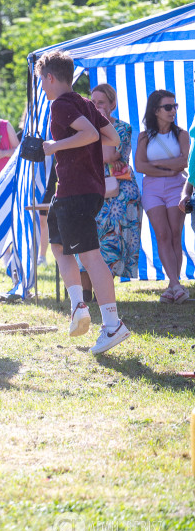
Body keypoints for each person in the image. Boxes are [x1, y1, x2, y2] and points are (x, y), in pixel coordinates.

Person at [38, 50, 130, 353]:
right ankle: (78, 305)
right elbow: (112, 138)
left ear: (51, 78)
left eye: (42, 81)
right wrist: (79, 148)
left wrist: (54, 147)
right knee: (58, 243)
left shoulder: (61, 104)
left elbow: (90, 134)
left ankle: (112, 324)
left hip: (76, 189)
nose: (42, 87)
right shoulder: (85, 103)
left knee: (91, 257)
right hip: (81, 189)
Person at [82, 84, 141, 294]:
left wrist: (101, 124)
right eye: (93, 102)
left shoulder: (123, 127)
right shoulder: (83, 126)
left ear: (112, 105)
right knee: (88, 237)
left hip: (119, 191)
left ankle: (103, 290)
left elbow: (107, 156)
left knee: (112, 239)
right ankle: (86, 290)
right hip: (91, 188)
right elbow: (108, 157)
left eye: (101, 103)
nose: (96, 106)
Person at [135, 89, 190, 304]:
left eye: (175, 106)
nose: (173, 110)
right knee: (162, 235)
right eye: (168, 107)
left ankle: (172, 286)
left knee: (176, 234)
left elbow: (183, 163)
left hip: (177, 186)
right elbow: (140, 166)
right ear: (156, 110)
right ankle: (176, 284)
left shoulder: (182, 134)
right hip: (152, 188)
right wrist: (169, 167)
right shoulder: (144, 136)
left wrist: (155, 165)